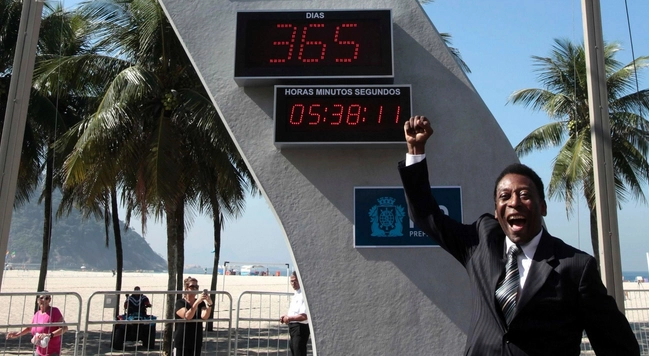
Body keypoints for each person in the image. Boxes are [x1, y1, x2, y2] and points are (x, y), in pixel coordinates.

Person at [398, 115, 639, 355]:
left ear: (542, 206)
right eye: (505, 196)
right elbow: (426, 216)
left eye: (524, 195)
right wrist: (416, 150)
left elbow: (618, 345)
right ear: (496, 211)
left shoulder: (576, 267)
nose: (514, 203)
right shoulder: (481, 243)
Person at [173, 276, 213, 356]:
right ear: (186, 288)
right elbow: (188, 316)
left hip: (196, 341)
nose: (195, 288)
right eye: (192, 286)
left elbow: (204, 316)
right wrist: (196, 302)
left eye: (196, 286)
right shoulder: (180, 303)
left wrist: (209, 304)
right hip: (182, 341)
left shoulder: (201, 303)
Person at [280, 271, 309, 356]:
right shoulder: (297, 293)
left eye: (295, 281)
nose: (293, 283)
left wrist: (289, 318)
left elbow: (304, 316)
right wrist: (286, 316)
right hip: (293, 328)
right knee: (294, 350)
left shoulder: (303, 294)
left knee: (299, 352)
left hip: (300, 328)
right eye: (291, 281)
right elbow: (295, 311)